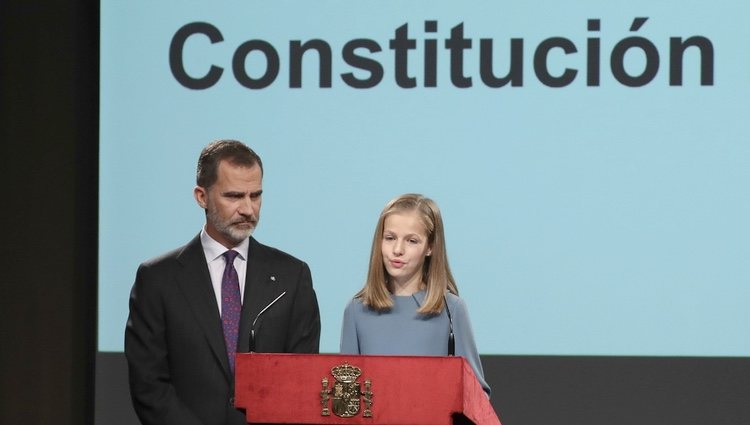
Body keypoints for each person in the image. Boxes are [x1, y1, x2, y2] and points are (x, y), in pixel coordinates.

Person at [125, 140, 321, 425]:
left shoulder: (292, 277)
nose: (248, 209)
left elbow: (301, 382)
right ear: (201, 196)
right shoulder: (157, 279)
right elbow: (148, 384)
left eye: (255, 195)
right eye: (234, 196)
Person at [340, 193, 491, 396]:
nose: (398, 249)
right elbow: (347, 395)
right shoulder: (357, 310)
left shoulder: (451, 309)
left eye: (411, 241)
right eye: (390, 238)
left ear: (430, 247)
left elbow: (476, 395)